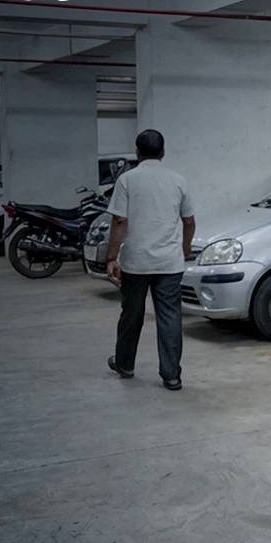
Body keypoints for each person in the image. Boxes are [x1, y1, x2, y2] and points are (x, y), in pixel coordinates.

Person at [103, 129, 196, 390]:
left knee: (131, 314)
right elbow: (189, 221)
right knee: (169, 317)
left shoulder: (127, 180)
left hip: (136, 262)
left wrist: (111, 257)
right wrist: (184, 248)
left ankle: (125, 364)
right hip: (169, 263)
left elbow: (120, 219)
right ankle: (171, 375)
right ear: (163, 152)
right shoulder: (178, 180)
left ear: (137, 152)